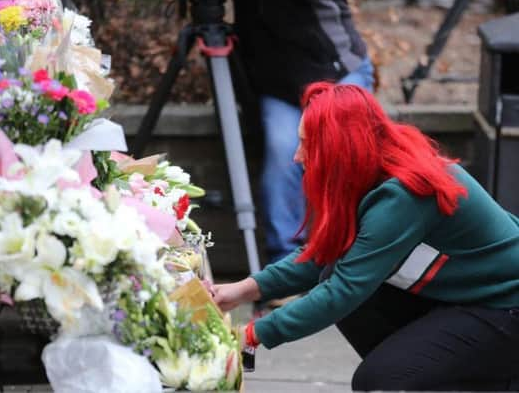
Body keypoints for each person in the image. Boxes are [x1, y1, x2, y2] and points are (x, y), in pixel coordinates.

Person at [212, 82, 519, 391]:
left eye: (307, 145)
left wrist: (253, 335)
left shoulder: (404, 195)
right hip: (465, 297)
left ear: (340, 148)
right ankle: (430, 371)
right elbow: (324, 253)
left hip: (505, 307)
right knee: (338, 275)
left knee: (381, 381)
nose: (297, 157)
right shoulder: (374, 170)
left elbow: (344, 290)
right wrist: (241, 291)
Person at [232, 0, 374, 267]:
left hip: (336, 71)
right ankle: (286, 264)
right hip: (280, 86)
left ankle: (362, 255)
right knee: (283, 153)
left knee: (345, 152)